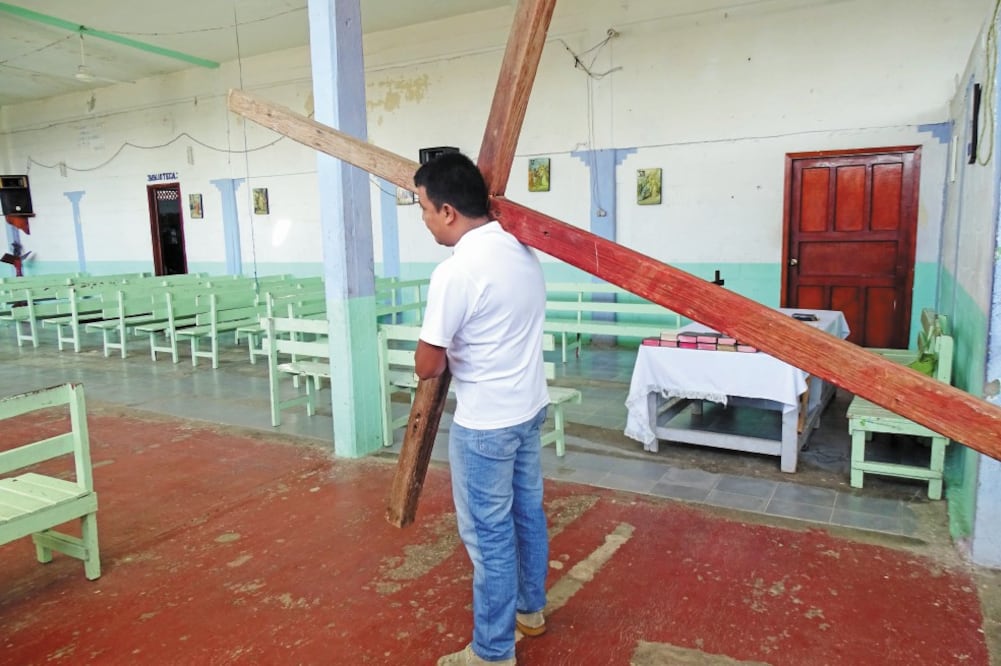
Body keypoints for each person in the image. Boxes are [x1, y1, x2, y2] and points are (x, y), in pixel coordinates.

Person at [413, 152, 550, 666]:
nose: (425, 221)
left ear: (448, 211)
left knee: (489, 535)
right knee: (526, 513)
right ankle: (530, 610)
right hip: (528, 408)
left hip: (486, 424)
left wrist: (433, 350)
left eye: (424, 210)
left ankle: (492, 653)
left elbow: (428, 365)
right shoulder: (520, 250)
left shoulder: (457, 272)